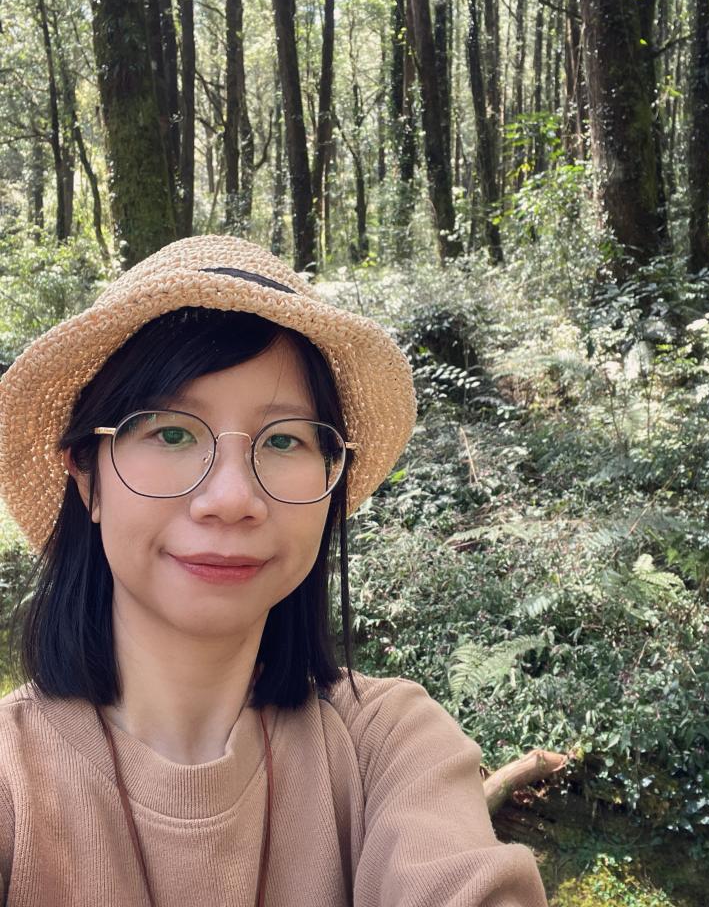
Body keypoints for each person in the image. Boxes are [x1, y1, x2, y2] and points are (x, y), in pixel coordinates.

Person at [0, 235, 548, 906]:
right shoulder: (11, 780)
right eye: (171, 432)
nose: (233, 499)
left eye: (284, 439)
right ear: (87, 477)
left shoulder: (386, 745)